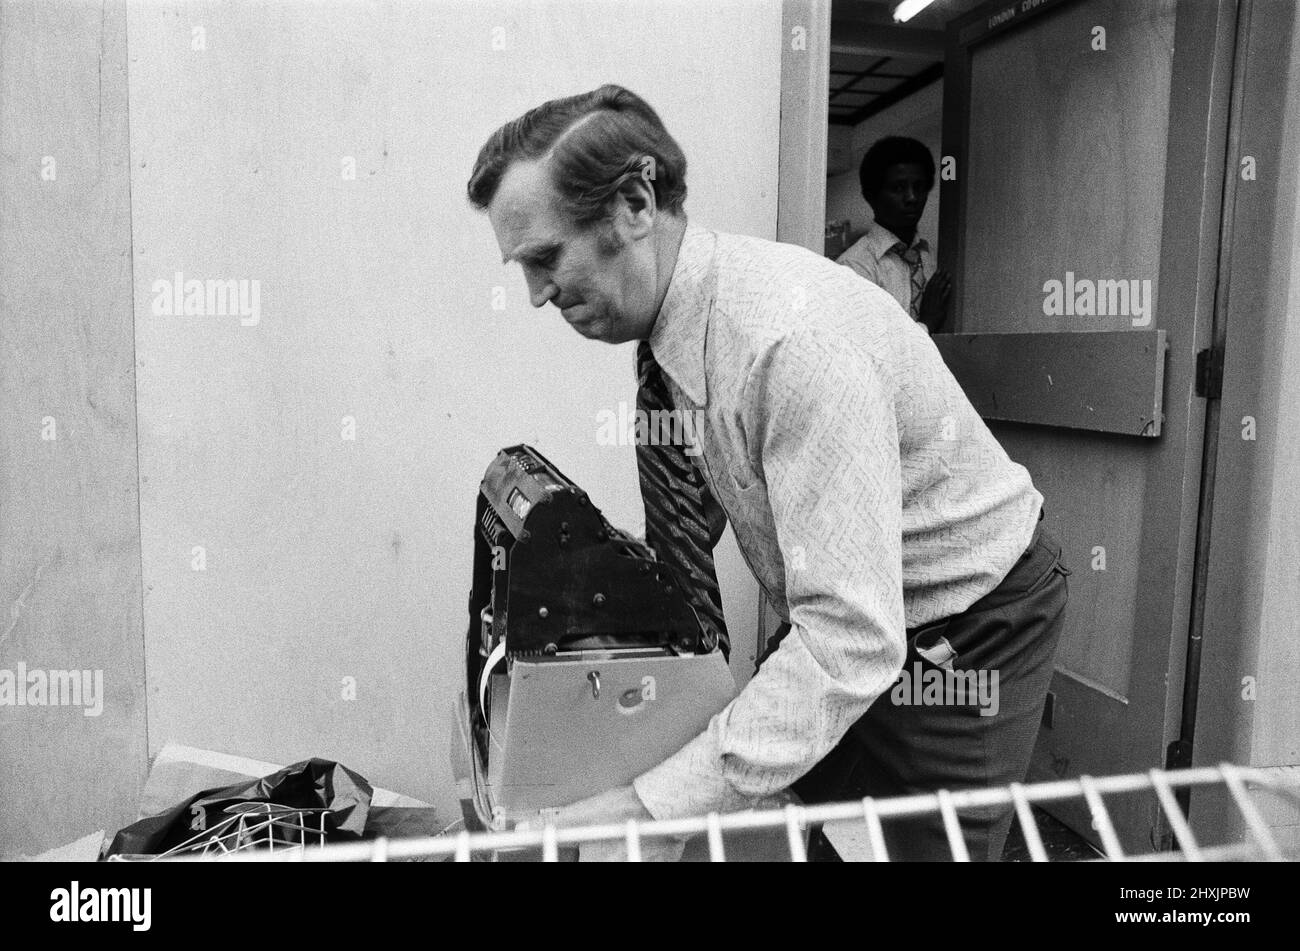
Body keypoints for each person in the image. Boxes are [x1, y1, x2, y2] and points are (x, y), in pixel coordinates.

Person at [466, 85, 1068, 861]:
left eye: (545, 257)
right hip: (864, 605)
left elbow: (848, 643)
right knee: (793, 797)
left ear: (635, 203)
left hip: (971, 617)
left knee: (926, 844)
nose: (537, 294)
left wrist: (647, 807)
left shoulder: (792, 346)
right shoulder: (681, 328)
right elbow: (734, 486)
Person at [837, 136, 952, 334]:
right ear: (871, 196)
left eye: (919, 187)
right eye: (898, 188)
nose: (912, 197)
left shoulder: (929, 258)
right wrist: (926, 323)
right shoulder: (854, 267)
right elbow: (869, 345)